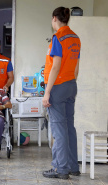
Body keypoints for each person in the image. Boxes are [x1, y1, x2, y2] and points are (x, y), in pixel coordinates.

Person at [42, 7, 81, 179]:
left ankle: (60, 168)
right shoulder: (75, 38)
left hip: (58, 87)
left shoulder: (58, 38)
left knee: (59, 130)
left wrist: (47, 92)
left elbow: (56, 66)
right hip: (71, 85)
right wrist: (71, 82)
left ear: (54, 19)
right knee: (69, 128)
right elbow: (76, 67)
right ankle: (73, 166)